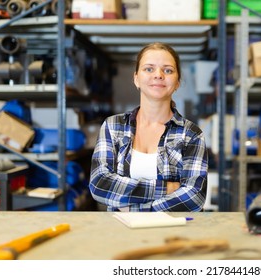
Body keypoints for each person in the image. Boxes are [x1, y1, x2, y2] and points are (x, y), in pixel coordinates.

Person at [89, 42, 208, 212]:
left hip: (174, 234)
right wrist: (167, 188)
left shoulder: (191, 134)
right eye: (149, 69)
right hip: (122, 232)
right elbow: (99, 184)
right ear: (136, 78)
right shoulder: (113, 126)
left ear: (177, 83)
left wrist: (135, 209)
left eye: (168, 70)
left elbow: (194, 197)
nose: (158, 75)